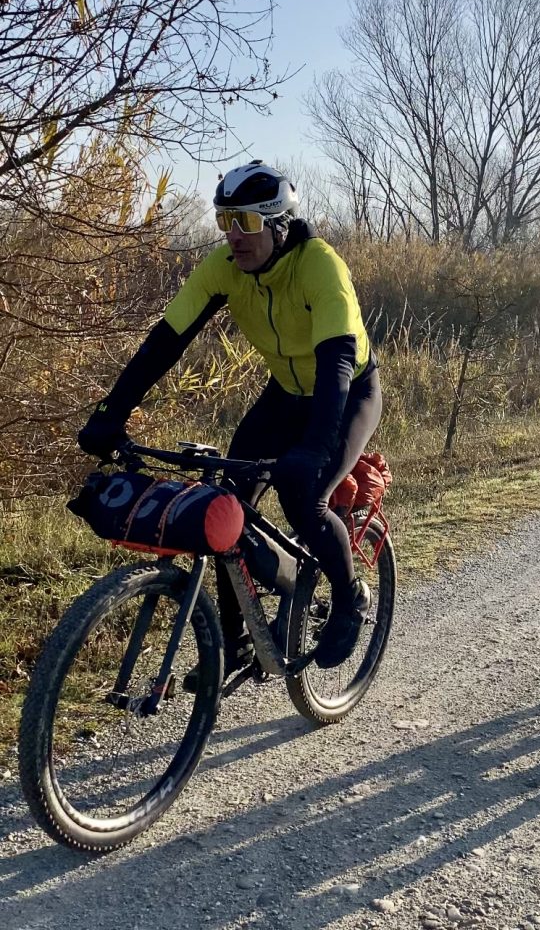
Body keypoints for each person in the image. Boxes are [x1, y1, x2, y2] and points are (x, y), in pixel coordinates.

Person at [78, 161, 382, 676]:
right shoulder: (224, 267)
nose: (233, 236)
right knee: (225, 505)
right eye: (224, 221)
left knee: (306, 499)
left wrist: (313, 448)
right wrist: (112, 411)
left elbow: (336, 363)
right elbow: (164, 344)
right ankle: (236, 639)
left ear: (278, 225)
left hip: (348, 393)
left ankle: (349, 596)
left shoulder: (319, 266)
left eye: (244, 223)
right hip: (285, 394)